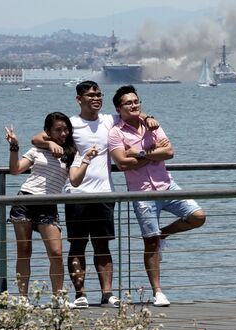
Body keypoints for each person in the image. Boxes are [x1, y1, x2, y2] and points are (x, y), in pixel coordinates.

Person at [31, 81, 159, 308]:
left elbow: (132, 114)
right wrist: (50, 144)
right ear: (79, 99)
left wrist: (147, 117)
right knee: (77, 245)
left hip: (105, 193)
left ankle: (107, 294)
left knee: (103, 245)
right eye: (90, 95)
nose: (96, 98)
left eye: (99, 94)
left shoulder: (110, 120)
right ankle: (80, 294)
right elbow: (37, 138)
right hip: (76, 193)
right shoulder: (71, 123)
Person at [108, 85, 206, 307]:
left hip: (167, 186)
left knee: (198, 216)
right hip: (142, 193)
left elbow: (169, 152)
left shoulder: (152, 124)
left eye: (136, 101)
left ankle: (164, 235)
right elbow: (123, 163)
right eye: (128, 103)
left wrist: (140, 153)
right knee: (149, 242)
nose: (134, 105)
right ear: (118, 108)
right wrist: (152, 155)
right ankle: (158, 292)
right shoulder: (115, 133)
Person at [6, 112, 96, 298]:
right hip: (25, 200)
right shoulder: (37, 150)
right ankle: (22, 298)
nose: (63, 134)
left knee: (56, 252)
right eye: (58, 130)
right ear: (48, 132)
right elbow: (15, 170)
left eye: (66, 130)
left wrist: (86, 160)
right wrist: (14, 146)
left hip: (48, 205)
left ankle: (58, 298)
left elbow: (75, 181)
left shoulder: (71, 154)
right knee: (24, 251)